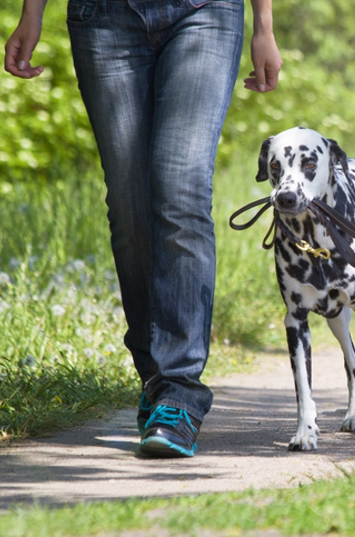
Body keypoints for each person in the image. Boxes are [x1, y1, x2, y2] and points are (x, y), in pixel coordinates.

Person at [5, 0, 282, 458]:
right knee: (130, 205)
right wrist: (32, 12)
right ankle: (155, 379)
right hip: (104, 18)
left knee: (181, 188)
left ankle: (179, 393)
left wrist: (264, 25)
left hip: (205, 12)